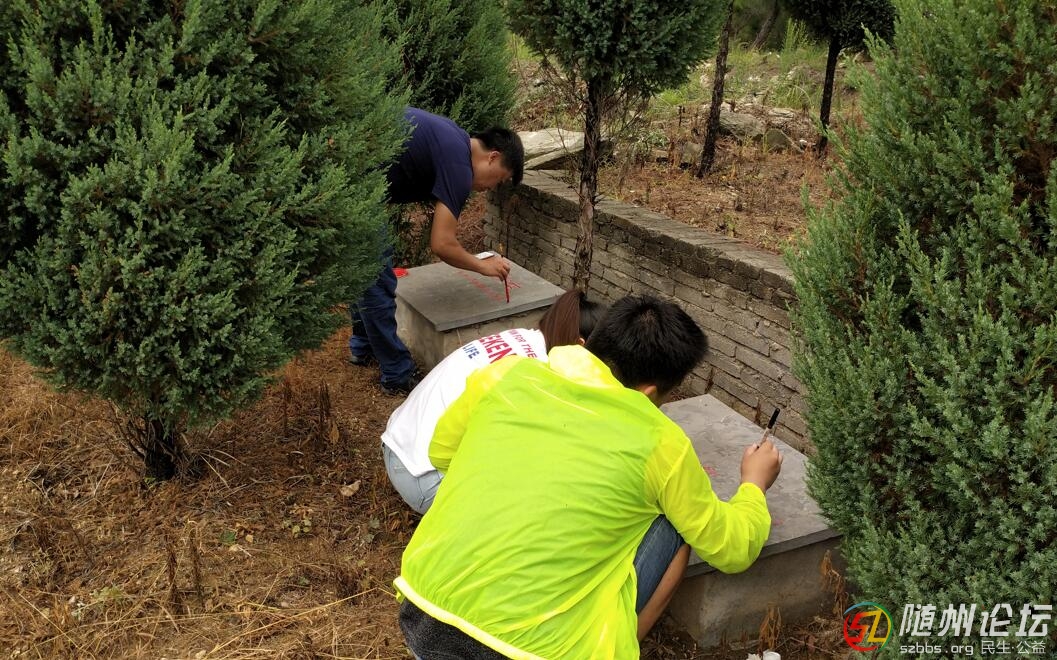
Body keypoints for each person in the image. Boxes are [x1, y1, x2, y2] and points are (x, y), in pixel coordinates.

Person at [394, 295, 783, 659]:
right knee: (676, 523)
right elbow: (731, 548)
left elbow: (441, 453)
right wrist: (754, 484)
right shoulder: (661, 442)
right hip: (534, 652)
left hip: (423, 618)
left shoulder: (506, 375)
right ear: (651, 392)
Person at [349, 107, 525, 395]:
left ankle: (363, 346)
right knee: (377, 279)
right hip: (354, 183)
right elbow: (442, 244)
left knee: (366, 274)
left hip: (352, 173)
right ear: (492, 157)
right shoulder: (459, 166)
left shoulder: (454, 140)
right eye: (499, 179)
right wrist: (483, 265)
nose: (492, 187)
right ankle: (397, 375)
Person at [382, 290, 606, 514]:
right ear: (580, 345)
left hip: (397, 442)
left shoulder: (522, 336)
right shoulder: (539, 372)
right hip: (424, 479)